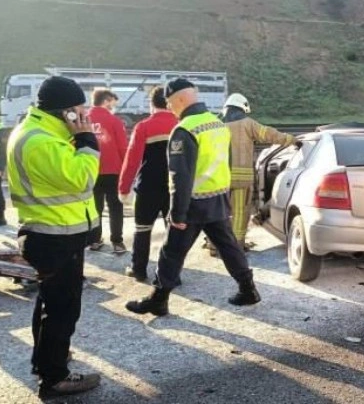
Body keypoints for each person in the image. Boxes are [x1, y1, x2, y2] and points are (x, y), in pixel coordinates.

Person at [125, 79, 260, 316]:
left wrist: (177, 212)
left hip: (194, 203)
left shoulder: (185, 130)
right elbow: (226, 162)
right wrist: (224, 196)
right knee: (228, 247)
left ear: (178, 99)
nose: (170, 109)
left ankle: (158, 299)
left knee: (171, 251)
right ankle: (248, 289)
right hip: (217, 198)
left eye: (169, 103)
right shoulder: (217, 124)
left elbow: (181, 175)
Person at [7, 76, 101, 398]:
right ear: (67, 112)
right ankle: (55, 377)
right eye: (80, 110)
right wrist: (88, 140)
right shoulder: (41, 141)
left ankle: (46, 360)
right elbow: (82, 179)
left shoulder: (44, 132)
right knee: (63, 308)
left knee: (50, 303)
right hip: (54, 236)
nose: (85, 116)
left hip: (52, 233)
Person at [209, 92, 299, 254]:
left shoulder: (215, 125)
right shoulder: (247, 124)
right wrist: (291, 140)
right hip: (241, 180)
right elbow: (269, 135)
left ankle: (214, 245)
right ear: (242, 108)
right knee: (239, 214)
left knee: (217, 214)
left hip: (218, 179)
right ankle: (235, 246)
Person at [118, 87, 178, 281]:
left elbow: (132, 159)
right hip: (174, 187)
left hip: (148, 187)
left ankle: (139, 269)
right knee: (173, 231)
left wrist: (124, 188)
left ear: (151, 104)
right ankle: (171, 275)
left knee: (142, 230)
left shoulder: (143, 126)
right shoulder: (181, 124)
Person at [88, 88, 128, 253]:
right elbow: (123, 147)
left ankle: (95, 240)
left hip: (89, 170)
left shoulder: (83, 119)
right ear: (106, 101)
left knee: (94, 207)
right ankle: (117, 242)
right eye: (112, 101)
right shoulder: (114, 121)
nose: (114, 105)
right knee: (115, 208)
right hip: (113, 170)